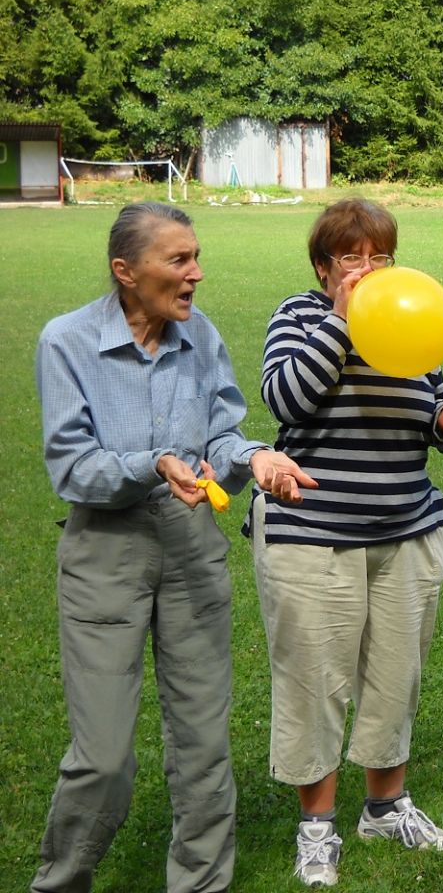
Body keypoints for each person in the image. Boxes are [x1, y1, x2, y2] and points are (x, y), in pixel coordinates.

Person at [32, 202, 316, 893]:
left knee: (203, 747)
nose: (196, 274)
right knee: (102, 758)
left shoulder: (200, 335)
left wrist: (256, 458)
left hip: (191, 554)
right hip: (105, 555)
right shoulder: (66, 341)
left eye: (196, 258)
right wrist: (154, 463)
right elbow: (72, 467)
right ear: (125, 271)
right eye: (179, 260)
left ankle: (200, 883)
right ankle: (61, 881)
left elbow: (221, 435)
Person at [249, 198, 443, 888]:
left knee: (395, 677)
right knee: (314, 681)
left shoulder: (406, 314)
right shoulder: (301, 316)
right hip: (313, 534)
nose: (368, 268)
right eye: (352, 256)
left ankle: (385, 807)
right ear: (324, 267)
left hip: (406, 527)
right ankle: (316, 827)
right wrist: (343, 322)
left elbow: (424, 404)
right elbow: (285, 400)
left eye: (380, 255)